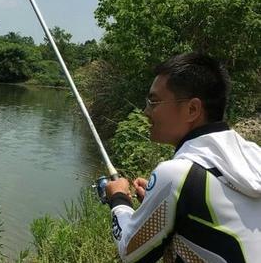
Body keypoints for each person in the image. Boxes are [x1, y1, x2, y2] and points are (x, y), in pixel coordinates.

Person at [106, 52, 261, 262]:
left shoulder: (177, 174)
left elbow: (129, 251)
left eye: (154, 101)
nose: (146, 111)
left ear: (192, 109)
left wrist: (119, 199)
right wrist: (165, 202)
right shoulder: (253, 155)